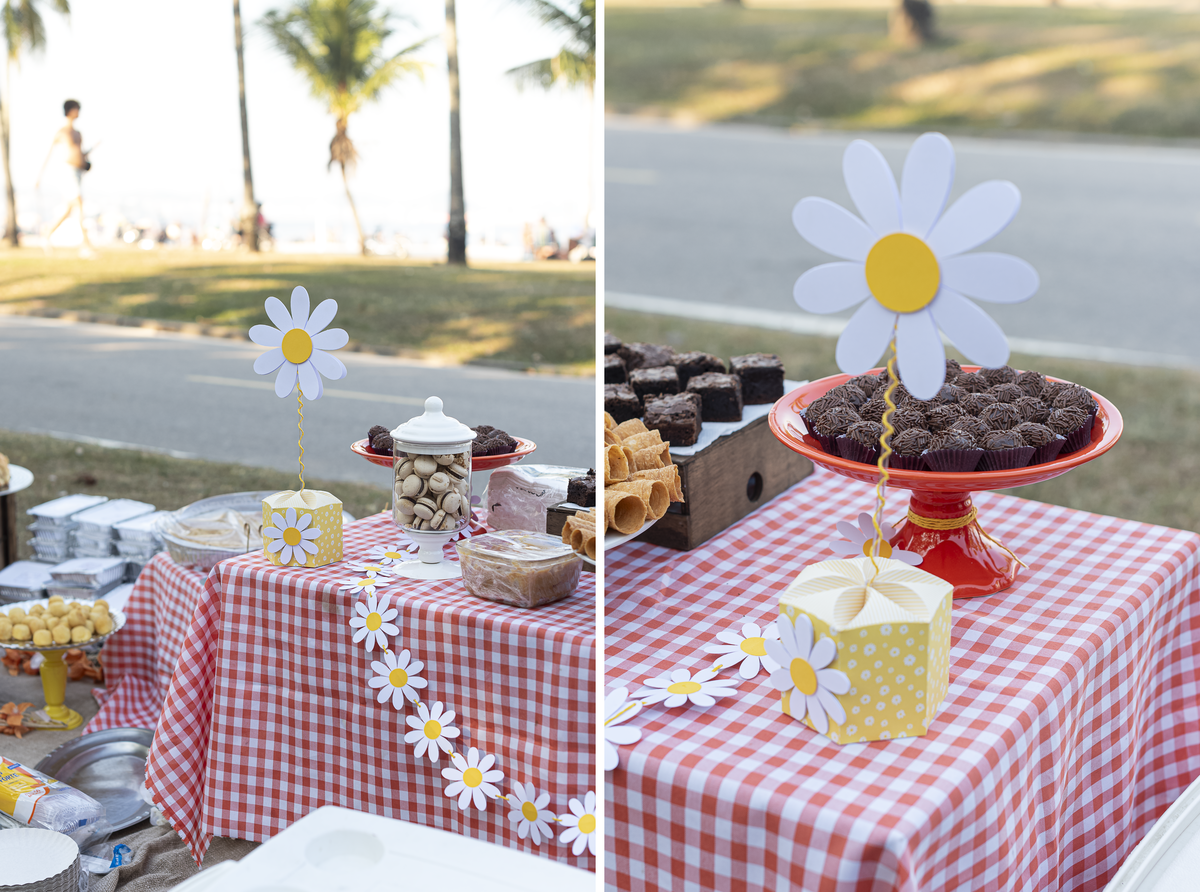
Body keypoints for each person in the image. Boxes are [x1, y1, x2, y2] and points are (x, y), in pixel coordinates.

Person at [36, 99, 94, 255]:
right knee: (79, 204)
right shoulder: (62, 132)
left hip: (78, 172)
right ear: (70, 110)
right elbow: (48, 154)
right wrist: (39, 176)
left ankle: (47, 234)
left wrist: (86, 162)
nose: (79, 112)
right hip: (67, 172)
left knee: (70, 208)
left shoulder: (78, 133)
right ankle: (85, 246)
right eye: (77, 109)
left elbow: (80, 154)